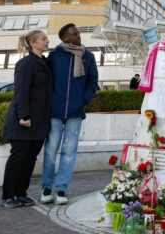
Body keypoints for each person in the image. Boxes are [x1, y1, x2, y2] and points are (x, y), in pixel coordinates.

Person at [41, 23, 99, 205]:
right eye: (75, 34)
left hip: (75, 111)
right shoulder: (54, 56)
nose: (79, 36)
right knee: (51, 151)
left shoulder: (87, 56)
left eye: (79, 33)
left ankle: (61, 189)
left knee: (69, 152)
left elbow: (93, 80)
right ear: (65, 38)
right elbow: (46, 80)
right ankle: (47, 187)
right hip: (55, 111)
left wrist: (85, 99)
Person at [1, 30, 51, 208]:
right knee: (18, 158)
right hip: (23, 121)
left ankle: (21, 193)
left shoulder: (43, 63)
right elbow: (21, 91)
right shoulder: (26, 63)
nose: (47, 41)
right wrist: (24, 116)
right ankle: (8, 196)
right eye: (43, 39)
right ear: (33, 43)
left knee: (30, 159)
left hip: (39, 121)